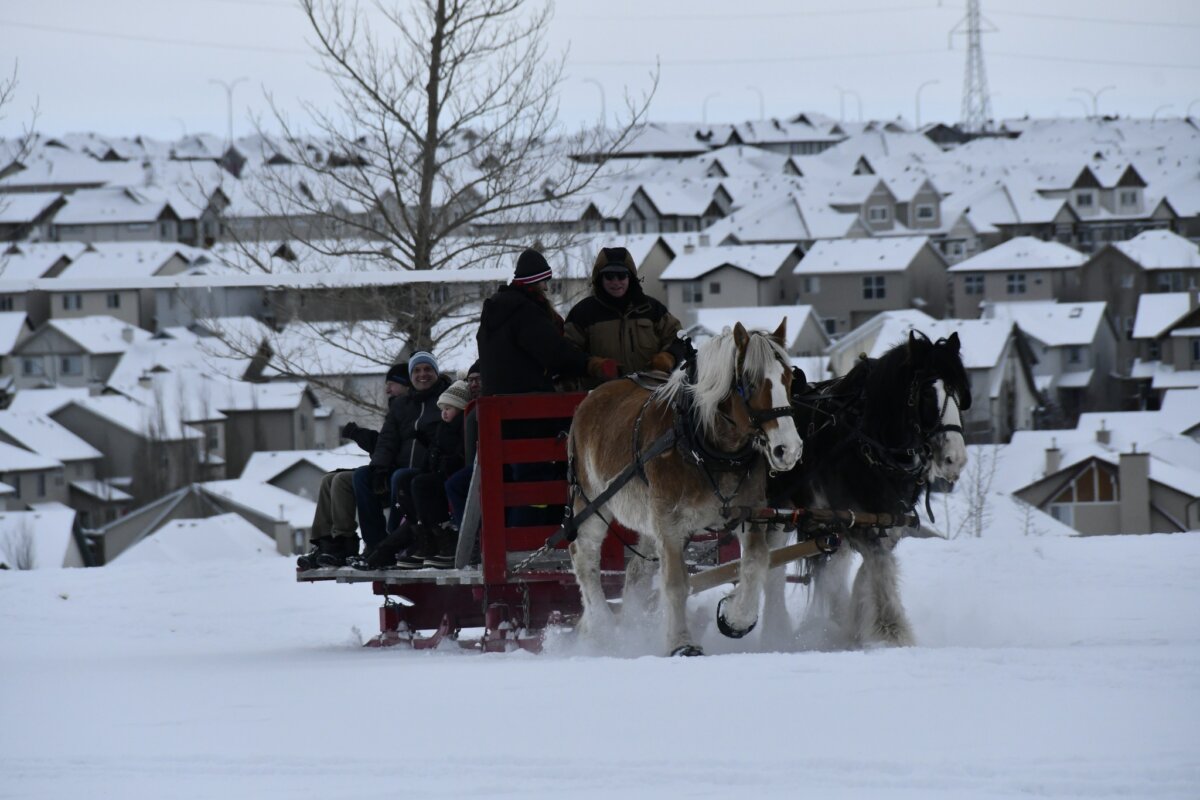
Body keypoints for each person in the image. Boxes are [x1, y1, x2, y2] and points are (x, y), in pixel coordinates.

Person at [295, 363, 410, 570]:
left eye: (391, 384)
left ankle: (345, 542)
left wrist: (363, 438)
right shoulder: (396, 409)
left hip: (393, 473)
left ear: (405, 384)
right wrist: (361, 436)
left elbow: (393, 447)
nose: (387, 389)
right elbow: (385, 444)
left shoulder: (407, 411)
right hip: (384, 467)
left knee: (343, 481)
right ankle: (326, 543)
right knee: (329, 479)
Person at [350, 351, 450, 567]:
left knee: (400, 477)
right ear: (411, 375)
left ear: (436, 372)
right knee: (361, 476)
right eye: (417, 370)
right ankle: (375, 542)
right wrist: (378, 468)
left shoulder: (445, 400)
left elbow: (447, 439)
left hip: (428, 469)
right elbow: (387, 439)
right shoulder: (401, 405)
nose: (422, 374)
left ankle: (395, 542)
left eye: (427, 369)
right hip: (400, 466)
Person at [477, 248, 616, 396]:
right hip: (527, 399)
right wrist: (590, 364)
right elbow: (555, 351)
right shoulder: (525, 311)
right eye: (544, 281)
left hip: (494, 399)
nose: (546, 288)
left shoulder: (495, 310)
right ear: (534, 282)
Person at [565, 246, 688, 388]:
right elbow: (567, 351)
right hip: (603, 396)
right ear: (599, 278)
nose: (616, 282)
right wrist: (593, 365)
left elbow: (679, 338)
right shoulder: (583, 312)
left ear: (630, 277)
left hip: (650, 394)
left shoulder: (652, 309)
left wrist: (668, 357)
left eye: (622, 275)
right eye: (609, 276)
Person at [401, 378, 470, 569]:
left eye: (449, 408)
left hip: (451, 474)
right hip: (438, 472)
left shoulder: (462, 427)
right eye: (443, 408)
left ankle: (443, 537)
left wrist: (444, 463)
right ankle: (424, 535)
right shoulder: (442, 428)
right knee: (406, 480)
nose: (444, 412)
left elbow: (461, 455)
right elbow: (433, 451)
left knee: (422, 484)